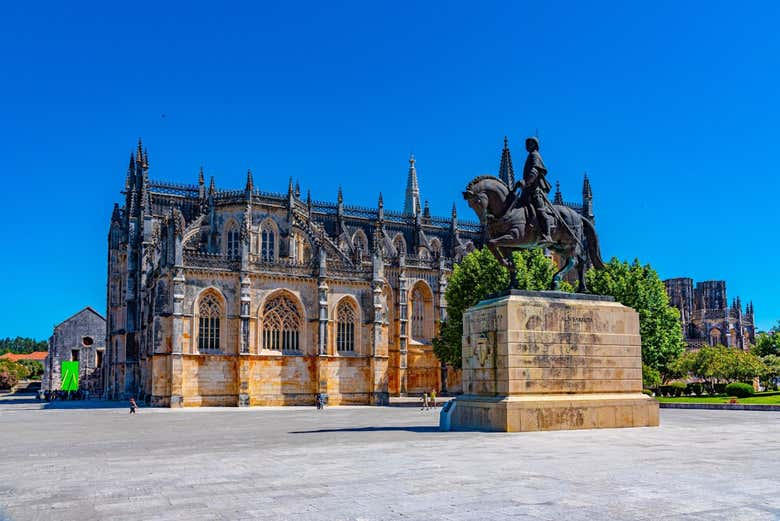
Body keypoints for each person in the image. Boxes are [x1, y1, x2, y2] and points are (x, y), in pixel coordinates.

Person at [508, 137, 554, 244]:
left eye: (530, 143)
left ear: (535, 145)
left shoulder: (535, 155)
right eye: (527, 143)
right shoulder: (530, 156)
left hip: (535, 191)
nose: (527, 145)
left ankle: (547, 235)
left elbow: (535, 171)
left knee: (540, 211)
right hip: (527, 191)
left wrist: (526, 182)